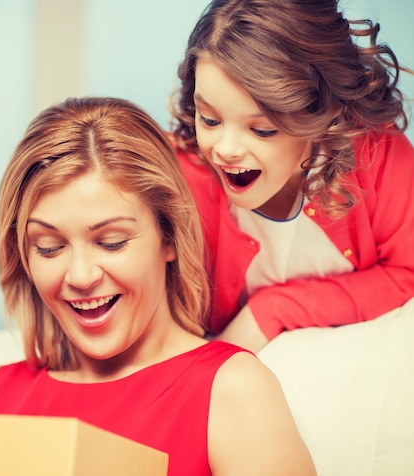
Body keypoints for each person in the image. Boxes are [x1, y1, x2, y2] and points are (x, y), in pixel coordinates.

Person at [0, 97, 316, 475]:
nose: (78, 276)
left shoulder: (231, 390)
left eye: (112, 242)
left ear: (168, 238)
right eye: (49, 248)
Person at [171, 0, 414, 352]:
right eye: (209, 119)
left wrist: (274, 310)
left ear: (323, 117)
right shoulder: (178, 179)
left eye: (262, 130)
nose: (225, 149)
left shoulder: (376, 150)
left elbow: (408, 272)